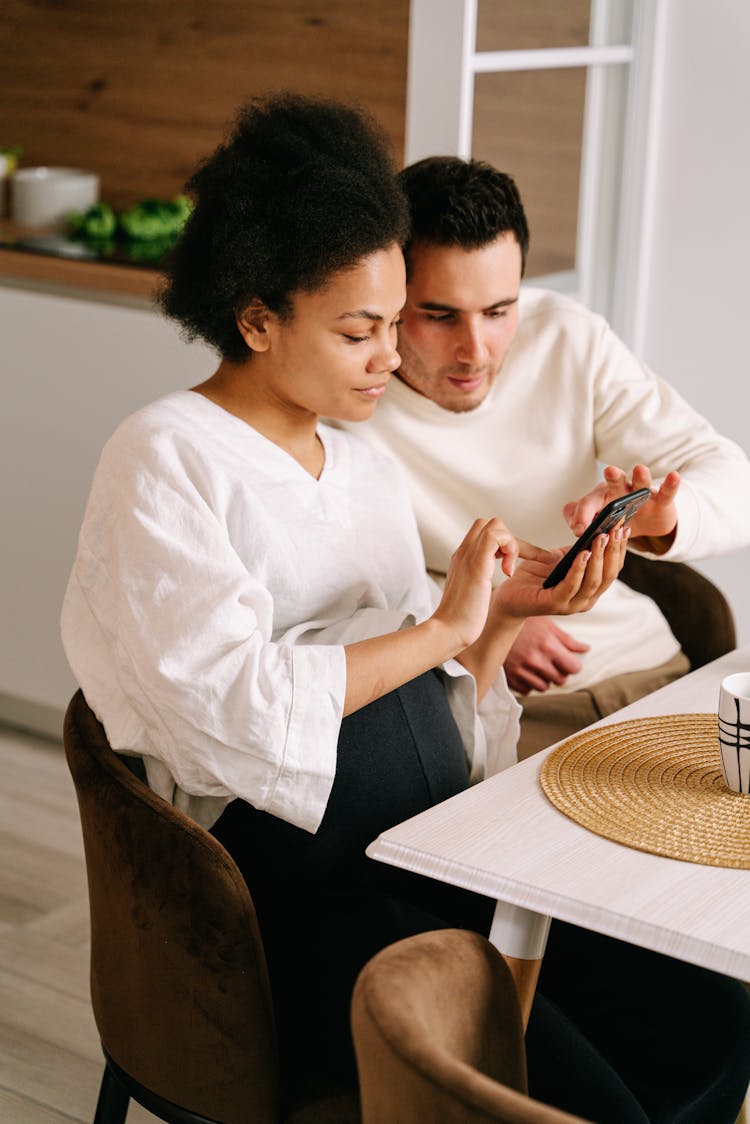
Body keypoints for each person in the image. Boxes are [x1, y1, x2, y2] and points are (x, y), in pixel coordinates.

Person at [60, 96, 750, 1123]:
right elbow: (231, 714)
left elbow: (446, 711)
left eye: (392, 323)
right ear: (255, 317)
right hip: (295, 891)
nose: (394, 358)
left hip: (425, 845)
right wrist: (438, 628)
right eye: (360, 330)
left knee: (710, 1014)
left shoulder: (361, 461)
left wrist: (501, 617)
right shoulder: (166, 456)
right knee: (597, 1096)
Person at [353, 155, 750, 760]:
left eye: (498, 311)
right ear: (393, 297)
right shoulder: (345, 396)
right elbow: (330, 596)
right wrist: (487, 617)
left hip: (651, 670)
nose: (475, 350)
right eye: (439, 316)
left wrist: (659, 518)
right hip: (502, 710)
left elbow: (731, 479)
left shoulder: (567, 336)